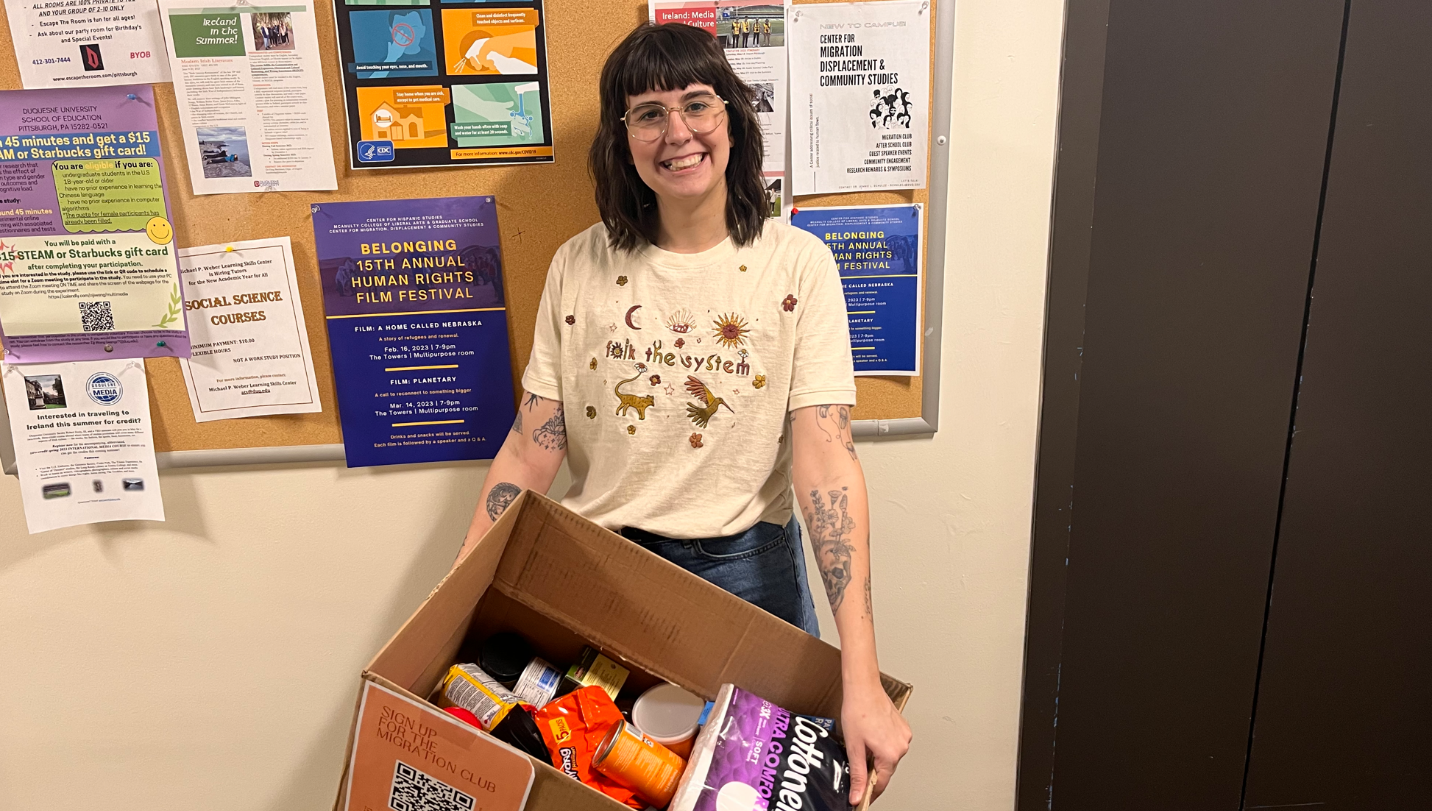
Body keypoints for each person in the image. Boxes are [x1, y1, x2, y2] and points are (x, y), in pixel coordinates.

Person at [454, 23, 911, 805]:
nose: (678, 132)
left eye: (697, 103)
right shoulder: (579, 263)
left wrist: (857, 673)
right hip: (598, 569)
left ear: (731, 116)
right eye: (648, 113)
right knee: (606, 789)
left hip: (748, 575)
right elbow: (531, 451)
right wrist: (455, 609)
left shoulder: (796, 263)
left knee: (745, 795)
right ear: (621, 137)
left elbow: (826, 464)